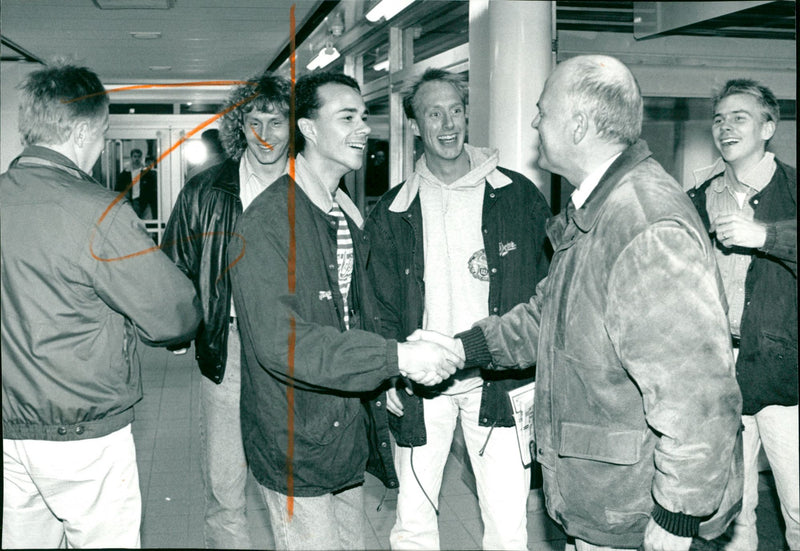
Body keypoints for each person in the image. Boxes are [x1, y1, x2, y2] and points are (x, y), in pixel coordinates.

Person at [416, 55, 744, 551]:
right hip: (605, 503)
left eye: (542, 112)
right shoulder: (600, 209)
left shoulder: (644, 223)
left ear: (579, 125)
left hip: (636, 512)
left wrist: (677, 512)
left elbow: (696, 392)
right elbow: (544, 316)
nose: (533, 122)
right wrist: (461, 349)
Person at [227, 71, 462, 550]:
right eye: (347, 117)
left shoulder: (344, 216)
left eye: (364, 116)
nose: (364, 128)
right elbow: (284, 344)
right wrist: (393, 358)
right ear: (309, 130)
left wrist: (393, 370)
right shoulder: (269, 223)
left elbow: (357, 317)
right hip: (295, 443)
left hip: (344, 436)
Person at [1, 63, 201, 549]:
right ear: (85, 129)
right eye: (103, 133)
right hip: (83, 433)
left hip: (9, 427)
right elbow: (173, 313)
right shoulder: (97, 210)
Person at [365, 67, 551, 550]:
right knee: (413, 523)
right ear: (415, 125)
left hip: (500, 383)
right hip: (421, 387)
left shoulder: (519, 197)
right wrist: (389, 372)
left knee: (508, 526)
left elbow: (546, 294)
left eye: (455, 111)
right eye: (433, 113)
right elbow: (379, 304)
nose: (447, 124)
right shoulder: (392, 211)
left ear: (467, 115)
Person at [161, 71, 292, 549]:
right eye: (254, 122)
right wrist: (182, 331)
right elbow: (174, 267)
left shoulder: (317, 187)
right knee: (225, 486)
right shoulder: (206, 191)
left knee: (293, 487)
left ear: (294, 126)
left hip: (297, 347)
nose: (265, 135)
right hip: (230, 348)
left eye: (276, 122)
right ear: (239, 126)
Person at [687, 79, 798, 551]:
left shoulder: (792, 190)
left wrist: (765, 236)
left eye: (740, 117)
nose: (725, 126)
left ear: (768, 127)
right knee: (733, 509)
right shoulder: (698, 196)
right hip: (717, 372)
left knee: (797, 506)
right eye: (719, 118)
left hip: (782, 372)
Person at [116, 147, 156, 218]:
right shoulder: (125, 174)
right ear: (131, 158)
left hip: (144, 202)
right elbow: (118, 188)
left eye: (138, 157)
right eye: (135, 156)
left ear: (141, 158)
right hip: (130, 202)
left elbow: (152, 189)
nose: (136, 159)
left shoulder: (147, 174)